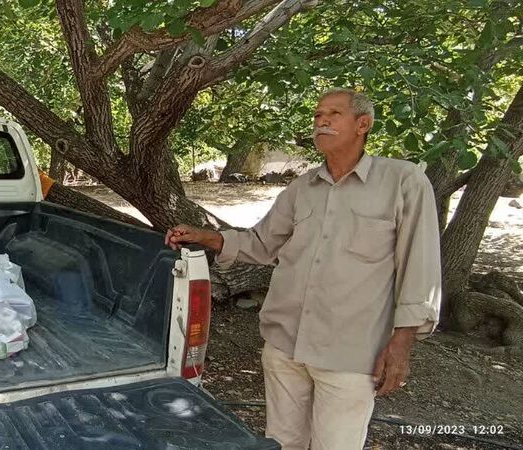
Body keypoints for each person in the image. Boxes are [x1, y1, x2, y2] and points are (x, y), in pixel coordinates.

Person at [166, 88, 442, 450]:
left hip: (350, 352)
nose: (321, 121)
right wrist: (206, 237)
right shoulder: (303, 186)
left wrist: (401, 344)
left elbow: (419, 266)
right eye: (317, 115)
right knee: (282, 442)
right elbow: (262, 243)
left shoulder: (403, 181)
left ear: (363, 124)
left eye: (333, 113)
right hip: (285, 345)